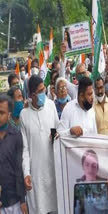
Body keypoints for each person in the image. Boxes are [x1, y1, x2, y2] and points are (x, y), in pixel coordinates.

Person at [20, 75, 59, 213]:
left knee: (56, 207)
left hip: (53, 171)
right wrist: (26, 173)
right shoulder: (24, 115)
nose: (44, 93)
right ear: (32, 95)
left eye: (44, 89)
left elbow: (56, 128)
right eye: (41, 91)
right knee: (39, 208)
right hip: (36, 175)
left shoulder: (51, 106)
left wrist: (55, 134)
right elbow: (25, 149)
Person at [0, 95, 27, 214]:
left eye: (1, 113)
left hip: (14, 201)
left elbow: (18, 169)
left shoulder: (16, 136)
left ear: (9, 115)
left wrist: (22, 200)